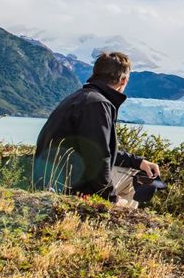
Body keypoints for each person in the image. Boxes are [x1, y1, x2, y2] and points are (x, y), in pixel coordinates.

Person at [34, 51, 160, 206]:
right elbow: (98, 159)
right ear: (123, 80)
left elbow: (95, 149)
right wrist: (112, 199)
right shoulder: (97, 104)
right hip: (72, 186)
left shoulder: (81, 97)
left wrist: (137, 162)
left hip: (57, 179)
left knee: (137, 170)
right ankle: (116, 216)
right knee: (137, 179)